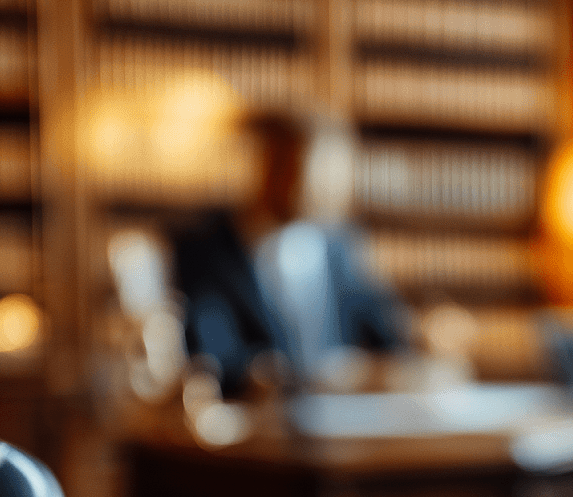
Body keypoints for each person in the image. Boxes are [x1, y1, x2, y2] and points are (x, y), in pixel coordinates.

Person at [166, 108, 407, 396]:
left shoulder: (341, 247)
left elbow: (391, 340)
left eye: (335, 172)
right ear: (266, 165)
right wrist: (285, 378)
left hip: (348, 426)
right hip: (258, 431)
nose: (326, 186)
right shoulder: (203, 250)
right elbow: (213, 358)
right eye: (312, 169)